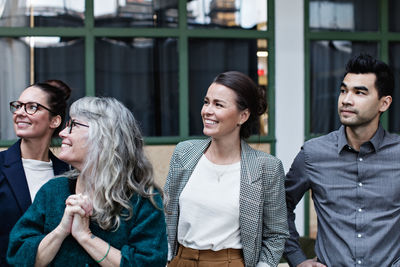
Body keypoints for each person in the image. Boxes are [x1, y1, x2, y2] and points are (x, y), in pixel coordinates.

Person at [7, 97, 168, 266]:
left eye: (73, 125)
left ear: (104, 136)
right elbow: (19, 257)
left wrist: (85, 236)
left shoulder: (142, 199)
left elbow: (147, 263)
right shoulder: (53, 191)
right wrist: (61, 230)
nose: (62, 132)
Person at [284, 54, 400, 267]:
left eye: (359, 92)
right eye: (344, 90)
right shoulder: (313, 153)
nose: (346, 99)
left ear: (384, 103)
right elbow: (279, 206)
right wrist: (297, 259)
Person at [164, 71, 289, 267]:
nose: (207, 110)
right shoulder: (184, 153)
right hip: (181, 260)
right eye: (206, 102)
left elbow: (276, 234)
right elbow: (167, 213)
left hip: (229, 262)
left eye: (218, 104)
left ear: (243, 116)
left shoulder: (266, 168)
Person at [0, 80, 71, 267]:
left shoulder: (69, 174)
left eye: (32, 107)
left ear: (54, 121)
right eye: (18, 106)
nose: (20, 113)